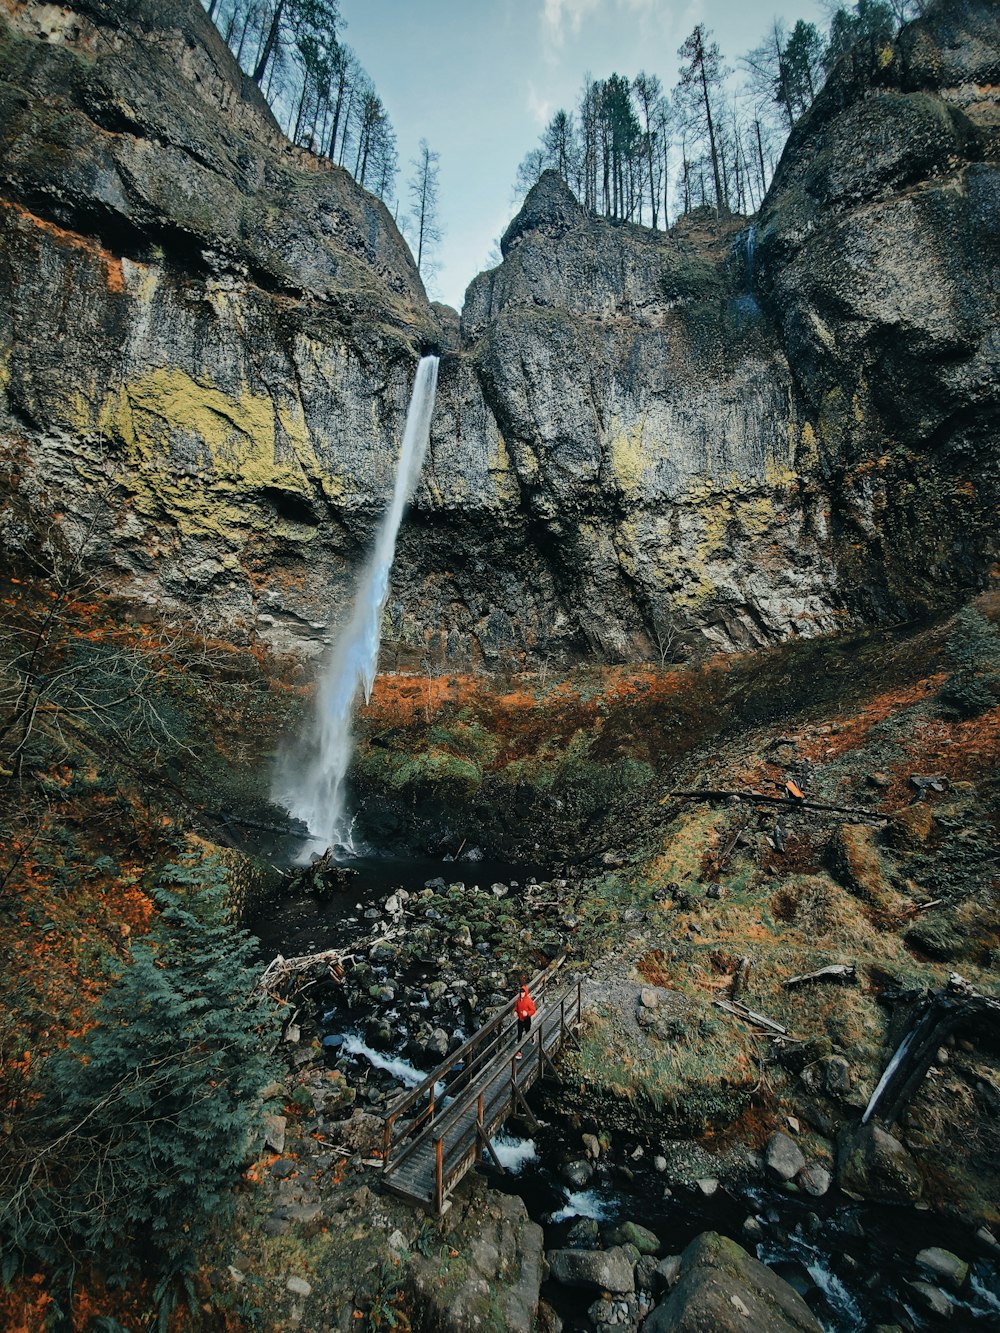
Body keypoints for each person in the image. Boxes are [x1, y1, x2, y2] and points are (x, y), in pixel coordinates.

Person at [513, 980, 536, 1059]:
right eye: (520, 992)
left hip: (526, 1019)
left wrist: (527, 1013)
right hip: (520, 1019)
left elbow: (533, 1010)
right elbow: (517, 1007)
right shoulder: (519, 999)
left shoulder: (529, 1001)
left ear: (525, 993)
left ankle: (532, 1037)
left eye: (523, 992)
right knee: (519, 1033)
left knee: (528, 1031)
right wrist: (516, 1011)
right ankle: (519, 1052)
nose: (521, 994)